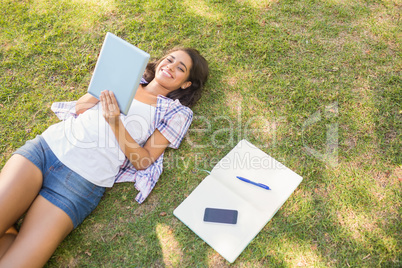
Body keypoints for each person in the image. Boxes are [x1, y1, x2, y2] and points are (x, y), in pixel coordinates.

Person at [0, 47, 209, 267]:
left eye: (180, 68)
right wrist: (104, 83)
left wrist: (115, 121)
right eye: (169, 60)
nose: (170, 67)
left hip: (79, 184)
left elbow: (144, 160)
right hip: (45, 151)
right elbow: (80, 109)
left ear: (186, 84)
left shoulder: (177, 113)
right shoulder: (130, 77)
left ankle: (11, 234)